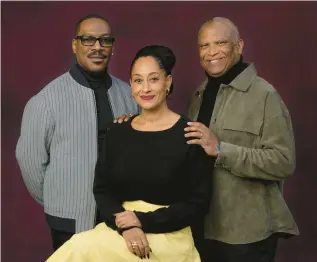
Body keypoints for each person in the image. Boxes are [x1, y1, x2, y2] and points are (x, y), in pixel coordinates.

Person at [45, 45, 213, 262]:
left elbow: (198, 203)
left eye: (153, 79)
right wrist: (126, 227)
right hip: (120, 228)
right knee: (78, 247)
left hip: (169, 235)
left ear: (168, 82)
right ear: (131, 85)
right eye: (138, 80)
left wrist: (141, 221)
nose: (145, 88)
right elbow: (103, 190)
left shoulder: (190, 134)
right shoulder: (117, 131)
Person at [15, 14, 138, 251]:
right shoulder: (46, 100)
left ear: (112, 47)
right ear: (74, 45)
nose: (97, 47)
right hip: (69, 220)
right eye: (88, 40)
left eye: (105, 41)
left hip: (120, 218)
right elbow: (30, 161)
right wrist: (59, 198)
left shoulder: (129, 95)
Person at [184, 17, 300, 262]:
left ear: (239, 46)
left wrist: (220, 149)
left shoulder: (265, 95)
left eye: (221, 43)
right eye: (204, 46)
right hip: (201, 228)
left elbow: (283, 161)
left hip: (246, 237)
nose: (211, 52)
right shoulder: (199, 94)